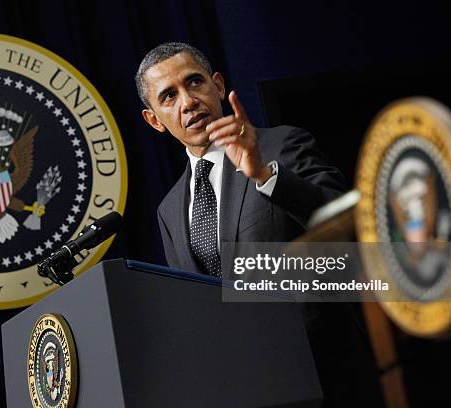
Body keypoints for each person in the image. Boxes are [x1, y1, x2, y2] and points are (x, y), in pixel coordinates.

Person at [136, 42, 384, 407]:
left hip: (329, 377)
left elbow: (348, 225)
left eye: (194, 83)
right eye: (169, 96)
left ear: (218, 86)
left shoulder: (281, 145)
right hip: (248, 387)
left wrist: (266, 176)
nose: (188, 102)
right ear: (155, 119)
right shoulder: (169, 209)